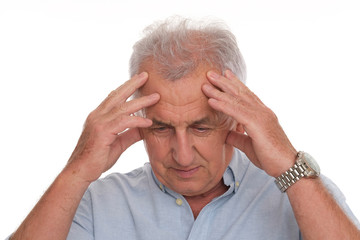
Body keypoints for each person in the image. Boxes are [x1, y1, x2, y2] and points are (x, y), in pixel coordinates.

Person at [8, 17, 360, 240]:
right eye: (161, 128)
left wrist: (288, 164)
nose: (182, 153)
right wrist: (76, 170)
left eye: (201, 127)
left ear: (237, 117)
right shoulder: (96, 203)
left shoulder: (298, 192)